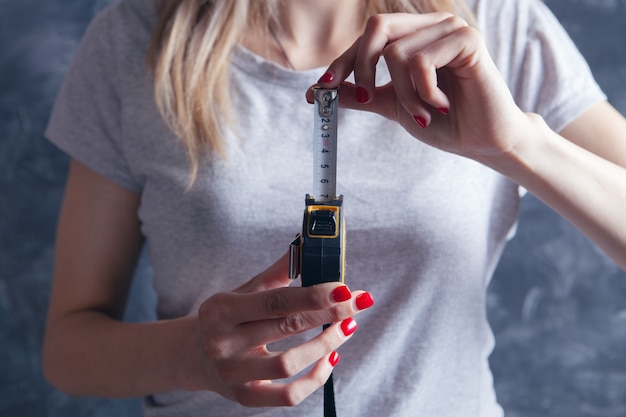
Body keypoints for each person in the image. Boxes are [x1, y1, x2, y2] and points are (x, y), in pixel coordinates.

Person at [41, 0, 626, 415]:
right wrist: (188, 354)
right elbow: (68, 350)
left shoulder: (491, 24)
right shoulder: (133, 42)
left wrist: (520, 144)